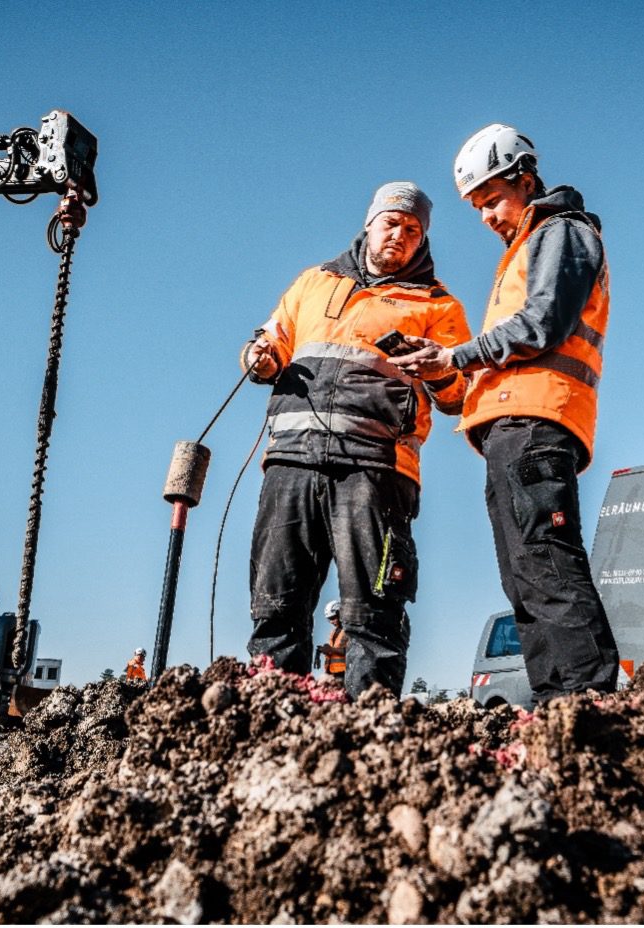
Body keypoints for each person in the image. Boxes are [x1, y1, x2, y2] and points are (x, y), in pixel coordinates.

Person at [391, 125, 618, 704]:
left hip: (537, 422)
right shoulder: (524, 246)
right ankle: (554, 710)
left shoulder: (561, 232)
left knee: (548, 566)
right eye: (477, 207)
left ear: (525, 178)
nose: (487, 217)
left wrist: (457, 354)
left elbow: (543, 323)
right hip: (510, 428)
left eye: (492, 200)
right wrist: (446, 371)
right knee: (523, 579)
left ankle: (589, 704)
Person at [240, 181, 471, 699]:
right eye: (392, 223)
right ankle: (273, 726)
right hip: (291, 464)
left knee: (373, 611)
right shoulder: (312, 282)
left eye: (413, 230)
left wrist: (437, 371)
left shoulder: (438, 306)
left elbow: (460, 393)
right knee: (276, 605)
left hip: (376, 469)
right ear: (370, 223)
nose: (401, 235)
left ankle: (371, 734)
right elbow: (271, 338)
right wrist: (260, 357)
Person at [314, 600, 348, 681]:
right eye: (329, 619)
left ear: (340, 613)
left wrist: (331, 649)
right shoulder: (333, 632)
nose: (331, 622)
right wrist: (321, 651)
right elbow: (333, 650)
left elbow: (352, 651)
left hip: (344, 673)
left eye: (333, 618)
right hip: (332, 672)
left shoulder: (348, 631)